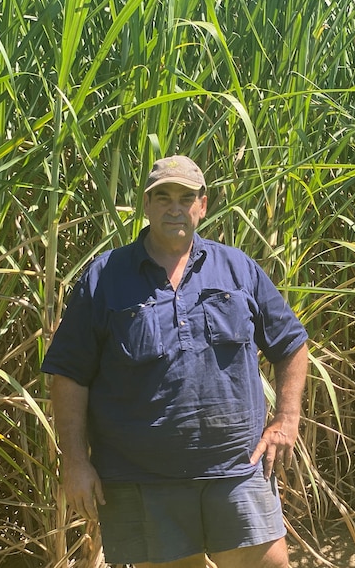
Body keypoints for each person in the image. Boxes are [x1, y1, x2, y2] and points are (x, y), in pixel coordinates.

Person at [42, 155, 309, 568]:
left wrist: (287, 419)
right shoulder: (105, 278)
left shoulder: (237, 269)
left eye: (186, 198)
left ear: (203, 205)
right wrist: (75, 461)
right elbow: (69, 374)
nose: (175, 207)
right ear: (146, 204)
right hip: (142, 480)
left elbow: (291, 343)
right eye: (163, 197)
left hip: (237, 468)